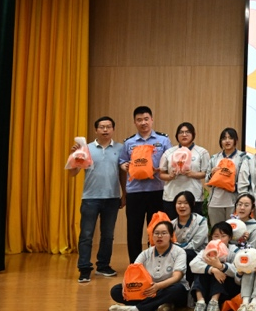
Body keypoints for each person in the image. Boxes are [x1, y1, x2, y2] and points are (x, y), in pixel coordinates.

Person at [118, 106, 171, 263]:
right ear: (135, 122)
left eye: (146, 119)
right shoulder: (129, 142)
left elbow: (170, 161)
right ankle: (135, 264)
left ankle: (155, 262)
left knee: (156, 229)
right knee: (134, 229)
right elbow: (122, 161)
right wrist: (125, 166)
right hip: (135, 192)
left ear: (152, 120)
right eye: (139, 120)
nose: (143, 123)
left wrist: (160, 169)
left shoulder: (163, 140)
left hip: (157, 190)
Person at [74, 115, 123, 283]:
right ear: (96, 130)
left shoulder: (120, 148)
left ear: (113, 129)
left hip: (112, 198)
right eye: (102, 127)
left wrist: (124, 194)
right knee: (86, 235)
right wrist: (74, 156)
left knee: (108, 235)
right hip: (90, 198)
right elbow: (73, 172)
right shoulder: (85, 149)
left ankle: (103, 266)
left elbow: (122, 174)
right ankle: (84, 268)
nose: (105, 130)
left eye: (108, 127)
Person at [106, 219, 188, 311]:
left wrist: (158, 286)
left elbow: (177, 277)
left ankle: (135, 310)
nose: (159, 236)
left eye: (164, 233)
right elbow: (132, 273)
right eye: (156, 233)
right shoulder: (145, 253)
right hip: (148, 290)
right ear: (152, 236)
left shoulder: (179, 252)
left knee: (178, 289)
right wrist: (125, 285)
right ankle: (158, 305)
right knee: (116, 290)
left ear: (171, 236)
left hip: (167, 288)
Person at [189, 221, 239, 311]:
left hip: (226, 289)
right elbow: (193, 264)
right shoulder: (206, 250)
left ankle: (214, 303)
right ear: (211, 237)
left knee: (220, 271)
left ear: (229, 237)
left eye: (223, 236)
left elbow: (237, 271)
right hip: (206, 288)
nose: (219, 239)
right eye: (216, 236)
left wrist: (220, 266)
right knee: (201, 271)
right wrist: (213, 269)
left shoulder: (235, 251)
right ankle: (200, 303)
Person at [158, 122, 208, 218]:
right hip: (171, 196)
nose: (184, 135)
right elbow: (161, 174)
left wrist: (192, 174)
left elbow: (205, 173)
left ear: (193, 134)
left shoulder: (202, 152)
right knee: (172, 225)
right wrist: (170, 176)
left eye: (187, 132)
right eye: (181, 132)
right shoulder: (169, 152)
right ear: (177, 135)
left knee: (194, 225)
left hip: (194, 196)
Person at [207, 127, 249, 228]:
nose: (227, 141)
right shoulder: (214, 158)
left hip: (233, 202)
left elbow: (244, 181)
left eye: (230, 138)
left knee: (234, 231)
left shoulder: (243, 158)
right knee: (217, 231)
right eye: (224, 138)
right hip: (215, 202)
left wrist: (234, 187)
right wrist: (212, 174)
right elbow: (207, 180)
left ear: (235, 140)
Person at [171, 191, 209, 255]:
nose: (182, 206)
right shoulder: (171, 224)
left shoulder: (201, 222)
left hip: (197, 254)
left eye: (186, 203)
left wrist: (175, 249)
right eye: (179, 203)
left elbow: (194, 245)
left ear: (192, 204)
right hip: (176, 254)